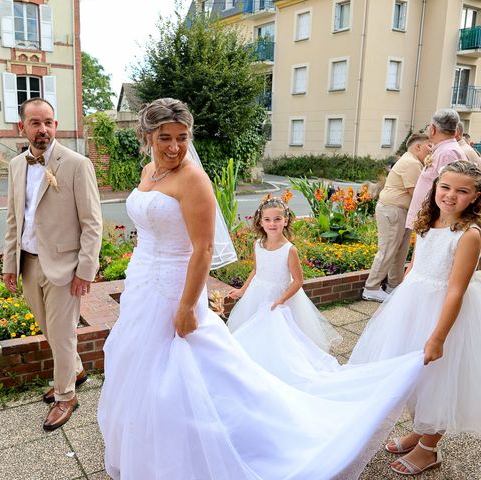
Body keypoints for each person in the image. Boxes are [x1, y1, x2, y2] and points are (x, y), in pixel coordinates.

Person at [98, 98, 425, 480]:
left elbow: (202, 248)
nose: (173, 147)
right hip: (143, 283)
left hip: (175, 286)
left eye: (182, 137)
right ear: (146, 136)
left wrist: (188, 306)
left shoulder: (193, 179)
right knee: (145, 370)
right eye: (164, 138)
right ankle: (156, 449)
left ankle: (223, 443)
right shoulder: (147, 171)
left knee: (185, 371)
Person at [350, 161, 481, 475]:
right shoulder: (427, 220)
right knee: (413, 377)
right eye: (445, 187)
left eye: (462, 191)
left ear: (476, 197)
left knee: (440, 381)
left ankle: (428, 447)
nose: (450, 195)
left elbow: (455, 291)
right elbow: (414, 266)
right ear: (435, 186)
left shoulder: (469, 235)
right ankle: (418, 430)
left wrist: (438, 337)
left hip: (445, 314)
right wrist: (399, 305)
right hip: (413, 304)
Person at [3, 97, 102, 431]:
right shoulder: (17, 166)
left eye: (48, 122)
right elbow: (14, 219)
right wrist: (9, 263)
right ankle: (75, 369)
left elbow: (92, 223)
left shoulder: (76, 164)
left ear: (55, 125)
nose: (42, 129)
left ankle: (65, 396)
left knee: (61, 335)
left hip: (63, 267)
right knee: (49, 330)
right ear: (23, 127)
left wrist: (85, 272)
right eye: (35, 122)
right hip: (28, 263)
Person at [226, 197, 341, 351]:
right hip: (257, 293)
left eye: (277, 219)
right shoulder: (258, 245)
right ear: (261, 222)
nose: (272, 224)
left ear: (285, 221)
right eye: (267, 219)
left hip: (281, 297)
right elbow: (256, 270)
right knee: (255, 330)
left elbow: (298, 281)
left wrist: (282, 299)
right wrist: (242, 291)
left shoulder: (289, 250)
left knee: (280, 335)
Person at [362, 133, 432, 302]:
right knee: (387, 250)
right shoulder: (411, 163)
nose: (432, 150)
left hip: (401, 211)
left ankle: (394, 286)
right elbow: (415, 193)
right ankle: (371, 288)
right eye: (429, 146)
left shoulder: (412, 161)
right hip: (394, 210)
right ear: (418, 147)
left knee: (400, 251)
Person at [406, 108, 466, 230]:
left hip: (434, 223)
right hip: (429, 221)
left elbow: (449, 192)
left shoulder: (447, 153)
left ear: (433, 129)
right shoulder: (444, 150)